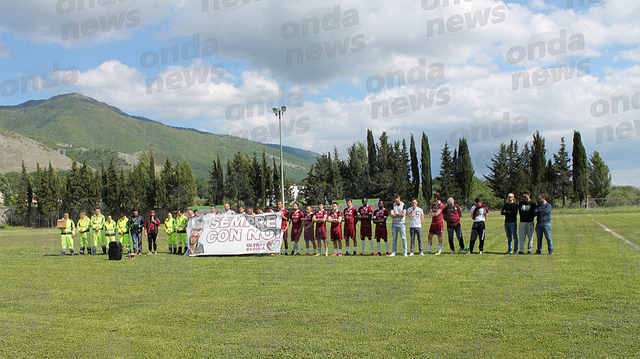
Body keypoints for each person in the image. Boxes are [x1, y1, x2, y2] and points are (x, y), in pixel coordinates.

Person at [518, 190, 536, 254]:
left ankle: (529, 250)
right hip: (522, 221)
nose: (524, 198)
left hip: (530, 222)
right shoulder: (521, 203)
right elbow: (520, 212)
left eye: (525, 196)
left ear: (529, 195)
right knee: (522, 236)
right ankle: (521, 250)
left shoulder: (533, 203)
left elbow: (534, 213)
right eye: (523, 196)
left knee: (530, 236)